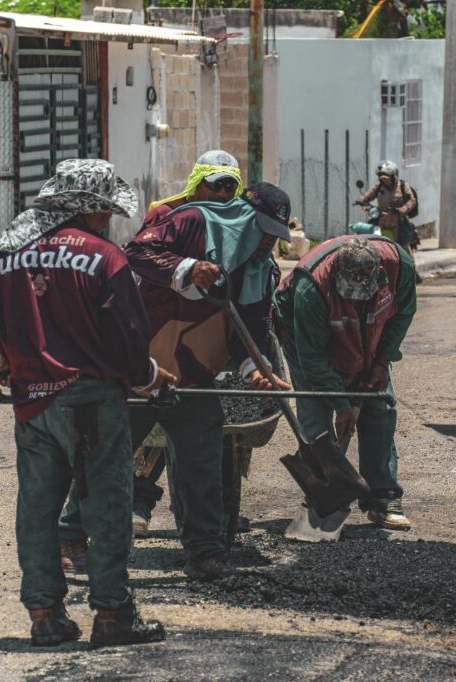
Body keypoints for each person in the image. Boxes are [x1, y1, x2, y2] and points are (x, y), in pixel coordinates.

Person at [0, 159, 172, 647]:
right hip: (91, 400)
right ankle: (112, 615)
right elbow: (126, 337)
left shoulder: (1, 251)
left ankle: (45, 615)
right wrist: (148, 377)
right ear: (87, 209)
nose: (107, 220)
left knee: (37, 509)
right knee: (108, 506)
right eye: (105, 210)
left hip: (32, 401)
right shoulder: (104, 257)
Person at [59, 182, 292, 581]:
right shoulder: (192, 222)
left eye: (275, 235)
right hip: (138, 368)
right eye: (263, 231)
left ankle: (204, 552)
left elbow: (249, 333)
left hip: (193, 375)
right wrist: (186, 268)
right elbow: (136, 253)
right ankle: (71, 538)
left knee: (202, 463)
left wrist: (255, 369)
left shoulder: (258, 270)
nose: (268, 242)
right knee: (106, 454)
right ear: (242, 219)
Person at [129, 149, 243, 539]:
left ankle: (206, 542)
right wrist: (187, 268)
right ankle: (85, 528)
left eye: (230, 187)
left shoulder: (235, 220)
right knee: (120, 438)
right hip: (154, 342)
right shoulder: (171, 217)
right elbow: (139, 254)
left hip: (200, 349)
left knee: (200, 445)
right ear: (197, 184)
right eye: (215, 186)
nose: (223, 195)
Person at [274, 236, 417, 530]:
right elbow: (313, 360)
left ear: (379, 274)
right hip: (307, 338)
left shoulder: (399, 267)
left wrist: (381, 362)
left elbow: (403, 313)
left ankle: (382, 497)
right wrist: (342, 406)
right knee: (316, 416)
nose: (355, 301)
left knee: (380, 408)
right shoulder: (310, 289)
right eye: (350, 296)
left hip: (369, 334)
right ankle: (324, 497)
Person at [354, 160, 422, 281]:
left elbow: (412, 200)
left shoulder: (402, 186)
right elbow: (369, 195)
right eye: (381, 177)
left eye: (386, 177)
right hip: (383, 221)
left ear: (394, 176)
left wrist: (402, 209)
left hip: (399, 222)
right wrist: (361, 199)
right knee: (375, 244)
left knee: (404, 247)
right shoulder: (379, 186)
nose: (384, 180)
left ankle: (412, 273)